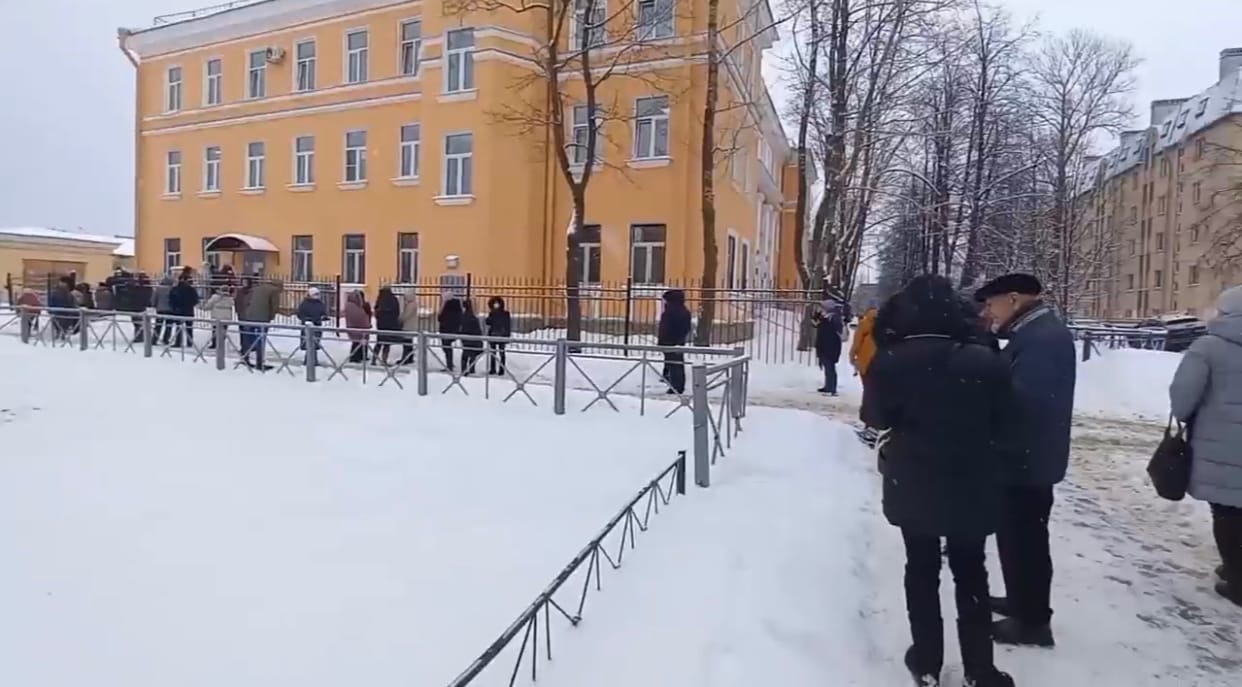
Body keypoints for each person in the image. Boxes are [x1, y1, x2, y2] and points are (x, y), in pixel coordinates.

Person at [861, 274, 1016, 687]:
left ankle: (926, 660)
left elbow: (874, 418)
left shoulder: (891, 360)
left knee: (921, 568)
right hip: (973, 479)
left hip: (914, 479)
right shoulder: (984, 360)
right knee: (972, 571)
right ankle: (980, 669)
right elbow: (1008, 422)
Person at [974, 273, 1076, 648]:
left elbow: (1024, 404)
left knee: (1026, 542)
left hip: (1026, 461)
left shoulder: (1042, 340)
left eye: (992, 303)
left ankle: (1033, 621)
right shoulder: (1033, 335)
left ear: (1014, 299)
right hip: (1024, 457)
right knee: (1017, 539)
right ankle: (1021, 603)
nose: (989, 311)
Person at [1169, 285, 1242, 606]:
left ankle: (1237, 579)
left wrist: (1184, 416)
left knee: (1226, 511)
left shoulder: (1208, 347)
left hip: (1221, 445)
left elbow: (1183, 395)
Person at [243, 278, 283, 370]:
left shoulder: (257, 288)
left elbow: (247, 301)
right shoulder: (274, 291)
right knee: (261, 340)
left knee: (249, 338)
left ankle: (245, 358)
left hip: (250, 316)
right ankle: (259, 363)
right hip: (262, 319)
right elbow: (274, 307)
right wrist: (271, 317)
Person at [657, 289, 692, 394]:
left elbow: (666, 328)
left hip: (670, 341)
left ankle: (676, 386)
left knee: (675, 364)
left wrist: (664, 339)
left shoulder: (672, 312)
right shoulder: (683, 311)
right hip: (676, 341)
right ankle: (672, 380)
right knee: (675, 363)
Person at [811, 298, 846, 395]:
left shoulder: (833, 318)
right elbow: (815, 324)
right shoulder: (826, 317)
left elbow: (835, 332)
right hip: (825, 345)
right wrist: (817, 316)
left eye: (823, 307)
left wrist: (822, 319)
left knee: (830, 367)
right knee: (827, 367)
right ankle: (828, 386)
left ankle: (832, 388)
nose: (821, 308)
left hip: (830, 346)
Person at [296, 287, 328, 361]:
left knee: (314, 343)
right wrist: (307, 319)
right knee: (309, 343)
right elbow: (300, 314)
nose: (317, 296)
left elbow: (323, 312)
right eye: (315, 294)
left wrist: (323, 316)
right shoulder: (305, 304)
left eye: (318, 294)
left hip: (317, 325)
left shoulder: (320, 303)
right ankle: (309, 361)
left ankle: (312, 360)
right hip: (308, 326)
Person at [373, 286, 403, 366]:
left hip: (381, 325)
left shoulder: (380, 299)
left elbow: (376, 311)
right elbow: (397, 311)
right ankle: (384, 360)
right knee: (387, 343)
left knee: (379, 342)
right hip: (390, 325)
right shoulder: (393, 299)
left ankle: (374, 359)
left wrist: (379, 318)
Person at [168, 275, 200, 347]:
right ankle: (189, 342)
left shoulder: (175, 289)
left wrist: (174, 307)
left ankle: (178, 342)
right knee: (189, 328)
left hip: (178, 311)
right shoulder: (191, 290)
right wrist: (190, 305)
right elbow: (196, 300)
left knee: (178, 327)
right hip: (189, 311)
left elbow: (171, 300)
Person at [485, 296, 513, 376]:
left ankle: (501, 369)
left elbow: (507, 325)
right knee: (493, 353)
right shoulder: (492, 313)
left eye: (497, 304)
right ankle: (493, 368)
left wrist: (507, 335)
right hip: (493, 335)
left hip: (501, 335)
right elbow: (488, 322)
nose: (496, 306)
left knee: (501, 353)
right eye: (495, 304)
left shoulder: (505, 314)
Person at [343, 290, 372, 364]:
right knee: (357, 342)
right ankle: (355, 357)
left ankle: (360, 356)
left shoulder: (354, 305)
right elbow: (359, 316)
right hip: (358, 327)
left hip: (357, 326)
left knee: (360, 341)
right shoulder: (354, 306)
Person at [459, 298, 484, 375]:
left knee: (465, 355)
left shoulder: (463, 317)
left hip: (466, 339)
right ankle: (472, 369)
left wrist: (461, 336)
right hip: (474, 339)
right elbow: (479, 329)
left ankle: (464, 370)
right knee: (472, 354)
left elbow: (461, 328)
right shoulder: (474, 317)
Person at [438, 297, 464, 372]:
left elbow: (439, 317)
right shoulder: (459, 312)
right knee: (448, 348)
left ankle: (449, 365)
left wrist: (443, 304)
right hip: (454, 332)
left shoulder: (446, 312)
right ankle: (450, 364)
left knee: (447, 348)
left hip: (445, 332)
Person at [48, 276, 77, 341]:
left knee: (57, 324)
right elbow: (71, 302)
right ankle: (63, 336)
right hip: (66, 312)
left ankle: (58, 335)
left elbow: (51, 301)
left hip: (56, 311)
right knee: (64, 325)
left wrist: (50, 309)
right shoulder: (68, 292)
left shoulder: (55, 291)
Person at [399, 291, 421, 365]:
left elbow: (406, 315)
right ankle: (410, 357)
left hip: (408, 326)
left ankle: (405, 358)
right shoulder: (412, 304)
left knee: (406, 343)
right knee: (409, 342)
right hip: (410, 326)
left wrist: (400, 319)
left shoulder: (411, 305)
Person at [153, 276, 175, 345]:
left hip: (160, 309)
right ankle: (166, 339)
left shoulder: (158, 289)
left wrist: (155, 305)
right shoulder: (172, 289)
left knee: (158, 325)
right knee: (168, 326)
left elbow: (154, 298)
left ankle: (154, 339)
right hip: (170, 310)